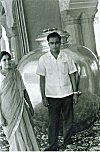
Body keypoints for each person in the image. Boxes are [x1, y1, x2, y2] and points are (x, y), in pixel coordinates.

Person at [36, 32, 78, 151]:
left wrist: (75, 93)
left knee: (68, 120)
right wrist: (43, 97)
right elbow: (42, 79)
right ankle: (52, 145)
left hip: (67, 93)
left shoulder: (66, 57)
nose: (54, 46)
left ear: (60, 43)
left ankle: (67, 142)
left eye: (57, 43)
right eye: (52, 43)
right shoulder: (43, 59)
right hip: (52, 95)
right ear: (48, 44)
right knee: (53, 122)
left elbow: (72, 74)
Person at [0, 51, 39, 151]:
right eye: (4, 60)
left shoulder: (16, 73)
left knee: (25, 131)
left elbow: (23, 90)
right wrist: (1, 117)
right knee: (13, 135)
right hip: (7, 111)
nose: (7, 62)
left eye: (9, 59)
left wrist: (30, 105)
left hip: (21, 107)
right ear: (0, 62)